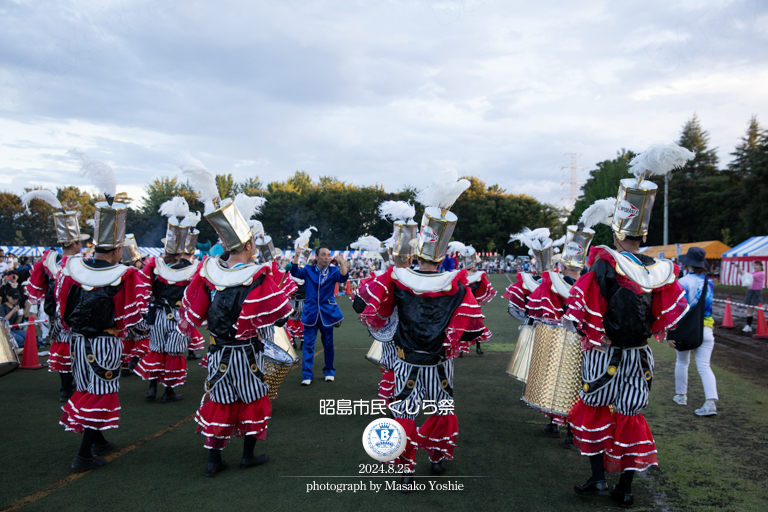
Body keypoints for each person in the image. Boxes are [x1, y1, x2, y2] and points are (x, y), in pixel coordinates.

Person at [563, 143, 693, 509]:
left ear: (617, 233)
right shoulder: (660, 269)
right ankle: (626, 488)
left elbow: (582, 314)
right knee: (631, 416)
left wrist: (594, 335)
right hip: (638, 356)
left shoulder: (604, 264)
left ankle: (598, 479)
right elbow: (665, 318)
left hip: (604, 356)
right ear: (643, 234)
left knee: (595, 410)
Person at [356, 171, 489, 486]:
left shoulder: (398, 279)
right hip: (440, 363)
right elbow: (470, 327)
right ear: (443, 252)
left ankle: (405, 467)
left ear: (418, 249)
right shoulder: (457, 284)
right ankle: (437, 457)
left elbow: (368, 308)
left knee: (403, 412)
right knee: (442, 410)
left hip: (405, 359)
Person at [177, 154, 293, 477]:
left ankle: (214, 460)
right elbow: (277, 316)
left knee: (220, 401)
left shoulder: (209, 271)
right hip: (247, 354)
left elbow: (194, 312)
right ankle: (248, 456)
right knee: (254, 400)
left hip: (219, 352)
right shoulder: (259, 274)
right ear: (250, 243)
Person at [58, 151, 149, 471]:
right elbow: (132, 317)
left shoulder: (72, 269)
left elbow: (63, 309)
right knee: (101, 391)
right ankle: (84, 454)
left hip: (78, 343)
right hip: (104, 343)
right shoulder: (124, 275)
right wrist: (138, 337)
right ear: (119, 246)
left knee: (88, 386)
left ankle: (97, 439)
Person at [22, 189, 91, 401]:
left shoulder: (52, 263)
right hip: (74, 315)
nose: (82, 245)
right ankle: (73, 386)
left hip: (58, 315)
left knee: (63, 347)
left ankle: (64, 388)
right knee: (75, 348)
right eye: (80, 242)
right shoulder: (79, 265)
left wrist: (53, 311)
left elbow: (46, 292)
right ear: (75, 243)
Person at [135, 199, 200, 403]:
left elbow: (143, 289)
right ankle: (168, 392)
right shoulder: (188, 270)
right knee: (172, 352)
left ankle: (152, 388)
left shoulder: (154, 267)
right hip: (178, 317)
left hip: (158, 314)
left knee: (156, 349)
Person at [289, 241, 348, 385]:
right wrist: (297, 256)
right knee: (308, 345)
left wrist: (341, 263)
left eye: (328, 255)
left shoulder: (334, 270)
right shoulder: (308, 269)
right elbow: (295, 271)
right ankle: (307, 375)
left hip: (327, 314)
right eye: (323, 255)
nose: (327, 257)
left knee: (328, 344)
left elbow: (344, 278)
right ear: (316, 257)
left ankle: (329, 371)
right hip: (310, 314)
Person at [669, 247, 718, 416]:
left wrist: (671, 333)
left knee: (682, 362)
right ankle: (710, 402)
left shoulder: (682, 282)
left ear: (687, 263)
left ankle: (681, 396)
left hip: (686, 329)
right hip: (706, 328)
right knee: (705, 366)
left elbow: (676, 309)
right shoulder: (709, 282)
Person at [738, 261, 764, 333]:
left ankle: (762, 326)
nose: (755, 267)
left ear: (761, 266)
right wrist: (738, 268)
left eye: (757, 265)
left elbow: (748, 276)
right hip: (750, 291)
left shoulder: (761, 273)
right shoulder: (753, 273)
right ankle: (748, 326)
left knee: (758, 310)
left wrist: (742, 271)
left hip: (756, 292)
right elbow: (744, 275)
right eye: (754, 265)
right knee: (749, 309)